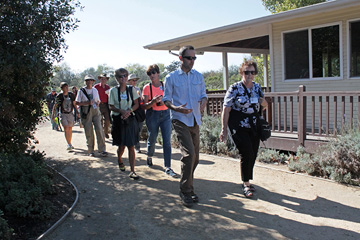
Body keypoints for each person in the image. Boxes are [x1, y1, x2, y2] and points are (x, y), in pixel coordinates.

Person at [163, 46, 208, 207]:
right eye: (189, 58)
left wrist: (203, 102)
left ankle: (188, 185)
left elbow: (204, 95)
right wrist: (176, 108)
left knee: (195, 157)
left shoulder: (199, 76)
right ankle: (186, 191)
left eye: (194, 58)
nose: (192, 61)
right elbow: (166, 99)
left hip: (195, 119)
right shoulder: (171, 77)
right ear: (181, 59)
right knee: (189, 155)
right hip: (180, 118)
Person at [219, 60, 268, 198]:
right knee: (246, 153)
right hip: (238, 126)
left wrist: (262, 102)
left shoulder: (257, 88)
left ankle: (247, 179)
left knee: (253, 153)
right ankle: (246, 184)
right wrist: (223, 129)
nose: (250, 75)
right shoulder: (234, 88)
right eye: (247, 72)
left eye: (252, 72)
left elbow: (264, 105)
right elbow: (226, 109)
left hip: (254, 125)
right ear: (241, 73)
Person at [142, 64, 177, 177]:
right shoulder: (147, 87)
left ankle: (168, 166)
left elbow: (171, 99)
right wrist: (152, 102)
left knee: (167, 141)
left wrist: (164, 102)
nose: (152, 75)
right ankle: (149, 156)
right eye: (149, 73)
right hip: (153, 114)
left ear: (158, 73)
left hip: (166, 114)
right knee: (152, 137)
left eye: (153, 73)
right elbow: (144, 106)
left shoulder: (165, 85)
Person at [108, 68, 140, 180]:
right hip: (118, 120)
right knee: (121, 146)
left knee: (131, 145)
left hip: (130, 119)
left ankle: (132, 170)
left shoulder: (131, 89)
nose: (123, 78)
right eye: (120, 76)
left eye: (125, 76)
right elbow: (111, 106)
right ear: (116, 78)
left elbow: (136, 104)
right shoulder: (113, 91)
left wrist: (129, 111)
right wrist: (121, 111)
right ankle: (119, 159)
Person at [75, 75, 107, 157]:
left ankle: (102, 149)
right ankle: (91, 151)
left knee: (99, 129)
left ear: (93, 81)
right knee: (89, 131)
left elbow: (98, 100)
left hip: (95, 110)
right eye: (87, 80)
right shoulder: (81, 91)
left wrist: (97, 103)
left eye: (91, 80)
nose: (89, 82)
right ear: (85, 81)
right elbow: (77, 102)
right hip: (86, 111)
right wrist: (86, 103)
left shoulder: (95, 90)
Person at [52, 82, 79, 151]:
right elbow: (55, 106)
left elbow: (74, 104)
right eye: (65, 87)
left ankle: (70, 142)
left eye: (67, 87)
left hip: (70, 114)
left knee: (70, 129)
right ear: (62, 88)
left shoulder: (71, 95)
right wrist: (53, 115)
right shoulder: (59, 96)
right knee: (66, 128)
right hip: (63, 114)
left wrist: (78, 112)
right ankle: (69, 144)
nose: (67, 88)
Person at [127, 73, 144, 153]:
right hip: (130, 111)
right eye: (133, 80)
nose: (134, 82)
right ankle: (136, 146)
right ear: (129, 81)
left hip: (138, 111)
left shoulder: (138, 89)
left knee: (139, 129)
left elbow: (140, 100)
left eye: (135, 80)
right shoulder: (126, 89)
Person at [94, 73, 111, 139]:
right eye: (102, 79)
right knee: (99, 121)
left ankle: (105, 132)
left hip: (106, 105)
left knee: (107, 121)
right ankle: (101, 135)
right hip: (99, 105)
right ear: (100, 79)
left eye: (105, 79)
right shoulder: (96, 87)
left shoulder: (107, 87)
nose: (103, 80)